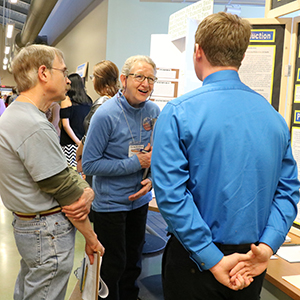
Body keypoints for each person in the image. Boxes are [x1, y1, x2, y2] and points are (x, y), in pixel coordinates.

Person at [151, 12, 300, 300]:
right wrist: (266, 248)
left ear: (198, 51)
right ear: (241, 56)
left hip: (195, 262)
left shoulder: (178, 112)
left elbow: (171, 195)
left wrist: (213, 259)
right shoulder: (273, 118)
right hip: (250, 262)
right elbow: (288, 191)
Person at [0, 44, 104, 300]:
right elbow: (68, 193)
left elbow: (59, 172)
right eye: (64, 72)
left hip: (30, 226)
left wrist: (85, 190)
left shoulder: (17, 115)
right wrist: (91, 237)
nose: (68, 80)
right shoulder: (34, 125)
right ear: (44, 73)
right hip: (46, 232)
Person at [82, 55, 160, 300]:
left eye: (151, 79)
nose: (145, 84)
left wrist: (152, 178)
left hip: (139, 201)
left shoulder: (154, 111)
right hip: (110, 205)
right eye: (140, 77)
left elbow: (157, 153)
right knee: (113, 266)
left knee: (134, 263)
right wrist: (134, 163)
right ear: (124, 80)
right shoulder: (105, 115)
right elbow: (90, 164)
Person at [76, 60, 120, 185]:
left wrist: (79, 154)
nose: (92, 80)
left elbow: (90, 134)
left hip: (97, 160)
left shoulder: (101, 103)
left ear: (100, 79)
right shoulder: (120, 100)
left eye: (93, 77)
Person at [60, 73, 92, 167]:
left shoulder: (66, 100)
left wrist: (77, 142)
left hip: (69, 144)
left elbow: (65, 125)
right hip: (84, 142)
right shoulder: (88, 101)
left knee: (71, 172)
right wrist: (81, 143)